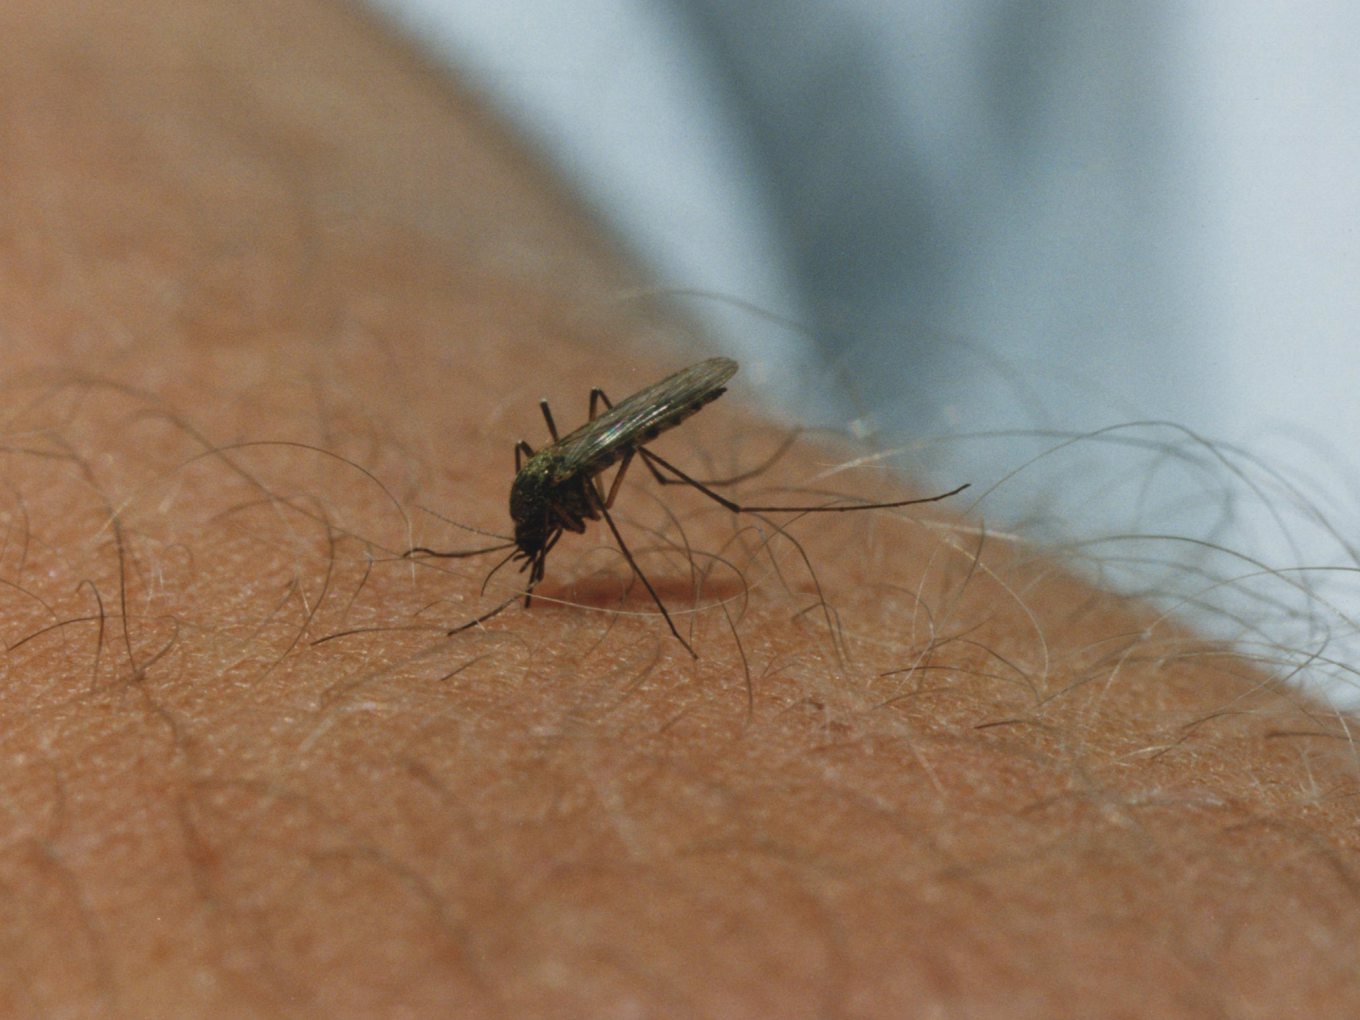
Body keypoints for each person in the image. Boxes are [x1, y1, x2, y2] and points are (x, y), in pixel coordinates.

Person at [2, 2, 1355, 1015]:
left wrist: (607, 511)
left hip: (653, 409)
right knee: (591, 460)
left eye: (534, 542)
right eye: (537, 540)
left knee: (651, 474)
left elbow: (585, 478)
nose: (544, 540)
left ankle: (714, 485)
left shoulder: (567, 483)